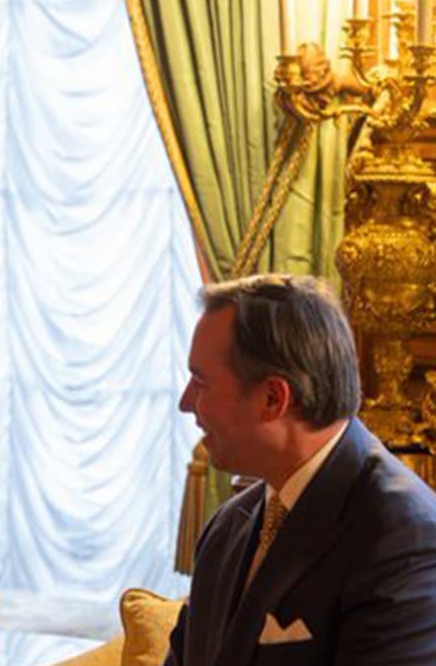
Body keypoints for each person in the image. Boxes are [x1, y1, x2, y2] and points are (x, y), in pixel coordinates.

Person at [166, 273, 436, 665]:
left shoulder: (405, 538)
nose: (186, 402)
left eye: (200, 382)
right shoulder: (228, 527)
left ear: (273, 398)